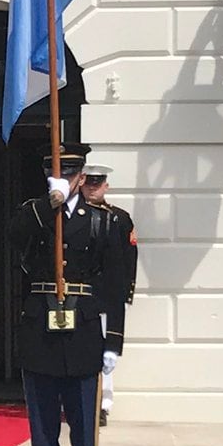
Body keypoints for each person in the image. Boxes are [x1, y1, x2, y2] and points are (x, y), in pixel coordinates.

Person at [10, 142, 127, 446]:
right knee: (43, 437)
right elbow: (16, 238)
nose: (63, 178)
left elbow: (114, 287)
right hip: (40, 331)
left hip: (82, 334)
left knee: (84, 438)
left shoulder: (103, 221)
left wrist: (114, 340)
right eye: (55, 172)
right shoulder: (36, 213)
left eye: (70, 172)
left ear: (82, 174)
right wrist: (52, 201)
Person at [80, 164, 138, 427]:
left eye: (98, 182)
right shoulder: (69, 217)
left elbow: (128, 259)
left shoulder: (120, 219)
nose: (93, 187)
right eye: (88, 182)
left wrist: (125, 291)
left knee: (107, 356)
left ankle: (102, 405)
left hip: (105, 296)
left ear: (106, 185)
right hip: (78, 296)